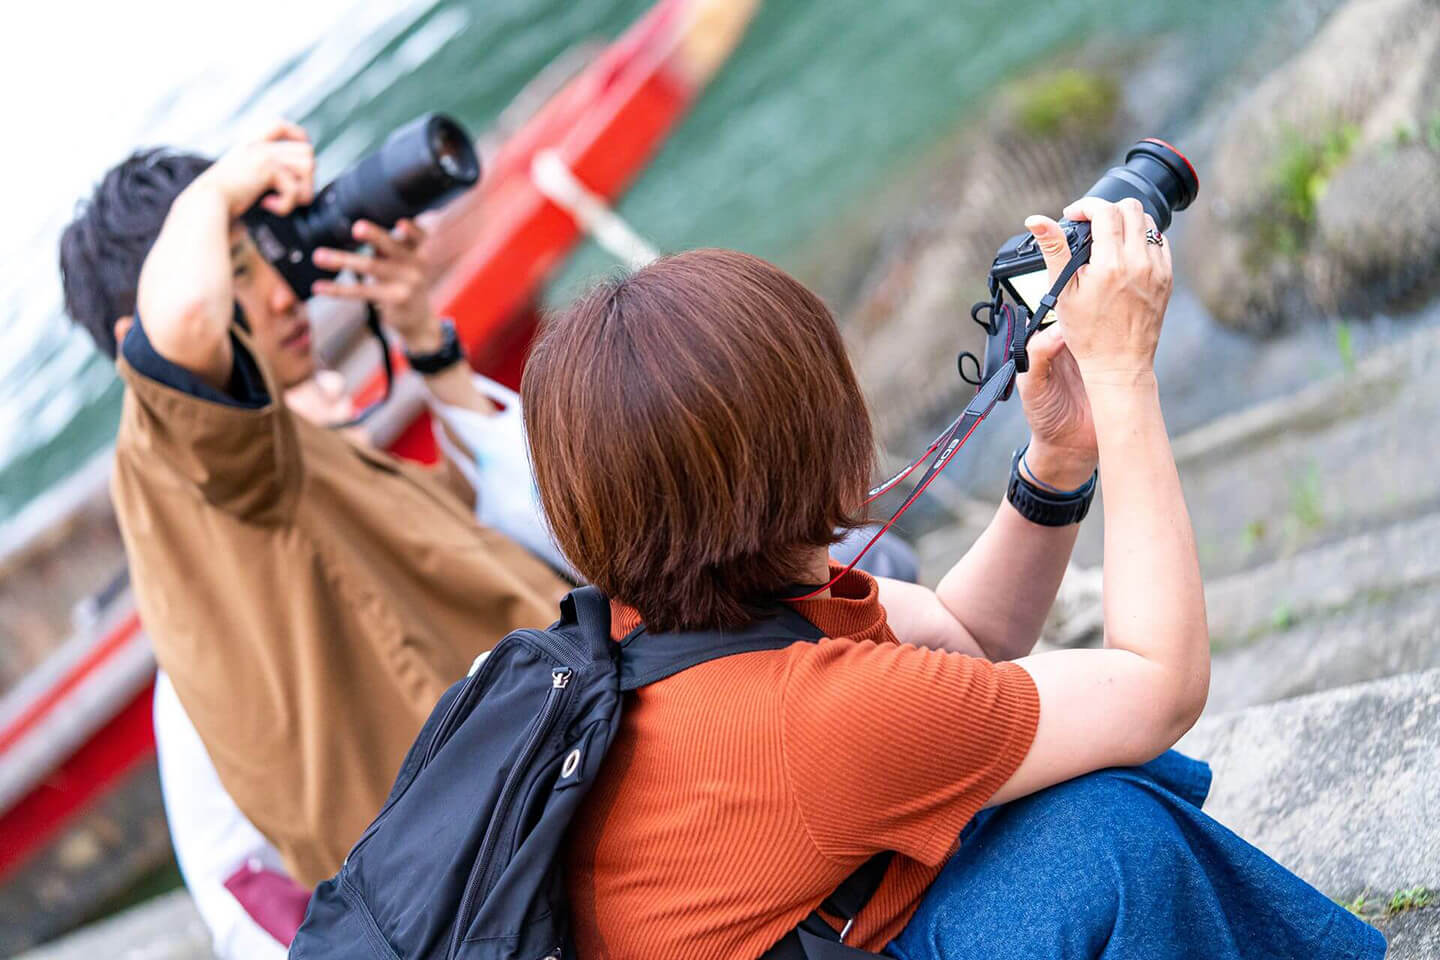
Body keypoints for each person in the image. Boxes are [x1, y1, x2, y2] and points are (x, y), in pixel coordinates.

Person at [518, 212, 1384, 956]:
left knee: (1066, 769)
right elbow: (1160, 687)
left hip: (833, 926)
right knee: (1112, 846)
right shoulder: (811, 718)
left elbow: (965, 640)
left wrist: (1059, 460)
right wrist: (1126, 380)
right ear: (822, 434)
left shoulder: (663, 623)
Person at [58, 122, 570, 896]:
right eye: (236, 268)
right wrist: (221, 185)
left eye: (264, 254)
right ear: (139, 344)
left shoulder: (291, 458)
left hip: (553, 789)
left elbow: (492, 538)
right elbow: (188, 325)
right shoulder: (181, 460)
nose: (279, 289)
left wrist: (425, 343)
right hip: (508, 866)